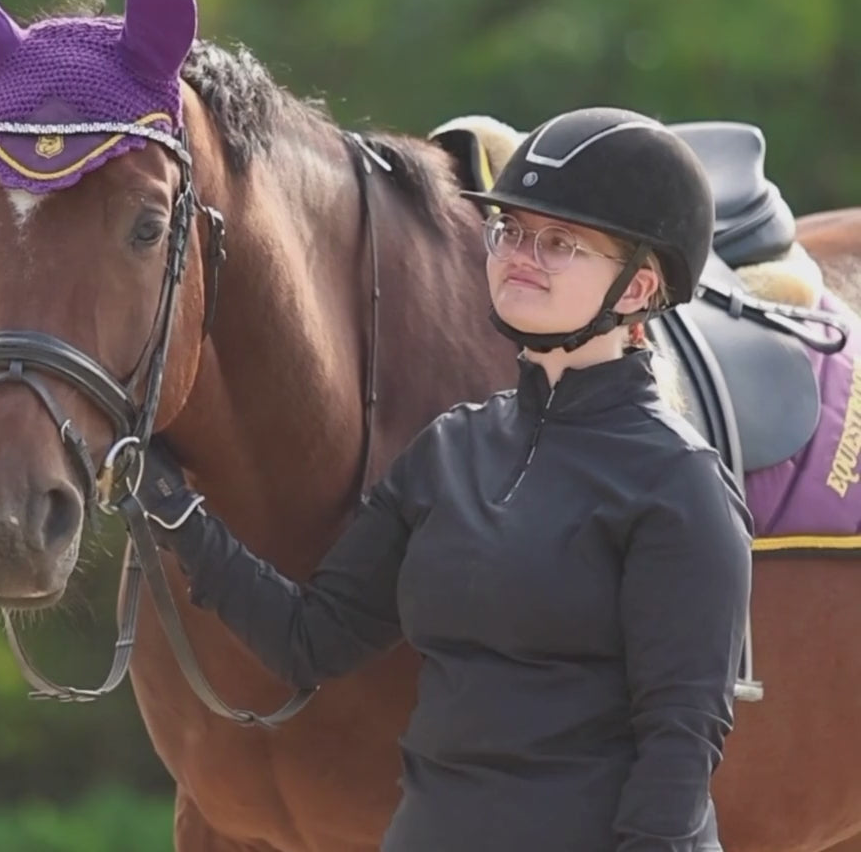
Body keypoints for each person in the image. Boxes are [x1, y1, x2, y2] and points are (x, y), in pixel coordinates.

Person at [137, 107, 754, 852]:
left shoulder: (678, 484)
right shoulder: (451, 450)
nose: (523, 255)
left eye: (561, 242)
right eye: (513, 233)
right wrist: (177, 512)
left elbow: (680, 746)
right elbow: (312, 641)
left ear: (635, 289)